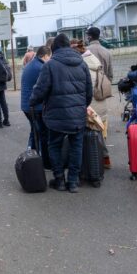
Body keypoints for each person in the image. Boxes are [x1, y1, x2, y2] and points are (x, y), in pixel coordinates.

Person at [30, 33, 92, 193]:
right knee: (76, 147)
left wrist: (32, 101)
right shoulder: (82, 63)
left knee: (54, 145)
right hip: (77, 115)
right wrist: (81, 106)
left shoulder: (50, 65)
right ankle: (73, 181)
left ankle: (59, 180)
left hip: (55, 116)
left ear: (54, 48)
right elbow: (89, 92)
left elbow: (41, 89)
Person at [71, 39, 112, 168]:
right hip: (101, 104)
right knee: (97, 134)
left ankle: (96, 161)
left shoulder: (82, 67)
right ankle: (103, 159)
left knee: (90, 135)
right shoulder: (95, 62)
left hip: (91, 108)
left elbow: (83, 91)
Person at [86, 26, 114, 168]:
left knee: (91, 124)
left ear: (89, 37)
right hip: (102, 91)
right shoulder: (107, 52)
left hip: (89, 93)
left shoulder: (85, 53)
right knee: (102, 123)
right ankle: (103, 157)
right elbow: (110, 75)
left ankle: (98, 157)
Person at [21, 45, 51, 161]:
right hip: (35, 106)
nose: (50, 59)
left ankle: (31, 156)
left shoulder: (31, 64)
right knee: (42, 134)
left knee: (35, 131)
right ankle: (44, 161)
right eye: (49, 56)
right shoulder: (41, 67)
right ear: (44, 56)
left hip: (27, 105)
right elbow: (43, 88)